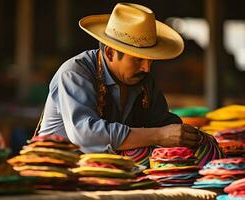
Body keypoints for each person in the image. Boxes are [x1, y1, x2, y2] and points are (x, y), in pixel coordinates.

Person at [37, 3, 223, 166]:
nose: (146, 68)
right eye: (137, 60)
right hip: (56, 174)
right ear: (110, 53)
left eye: (151, 60)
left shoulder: (143, 80)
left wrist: (188, 136)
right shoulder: (75, 73)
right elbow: (86, 135)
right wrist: (160, 135)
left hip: (107, 175)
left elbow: (162, 123)